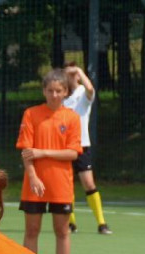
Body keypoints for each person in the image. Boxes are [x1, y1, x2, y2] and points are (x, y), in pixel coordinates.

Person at [17, 69, 81, 254]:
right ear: (44, 91)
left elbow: (73, 153)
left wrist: (43, 152)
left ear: (66, 92)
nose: (54, 95)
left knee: (62, 231)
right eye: (50, 90)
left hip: (61, 184)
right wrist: (33, 177)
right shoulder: (31, 114)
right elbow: (27, 151)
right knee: (32, 230)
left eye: (58, 91)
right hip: (34, 185)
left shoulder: (72, 118)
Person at [63, 64, 112, 235]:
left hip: (82, 145)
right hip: (64, 148)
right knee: (66, 186)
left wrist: (79, 71)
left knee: (89, 184)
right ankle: (71, 223)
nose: (69, 77)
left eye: (72, 74)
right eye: (67, 74)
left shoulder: (83, 93)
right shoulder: (61, 97)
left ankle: (102, 223)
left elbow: (91, 89)